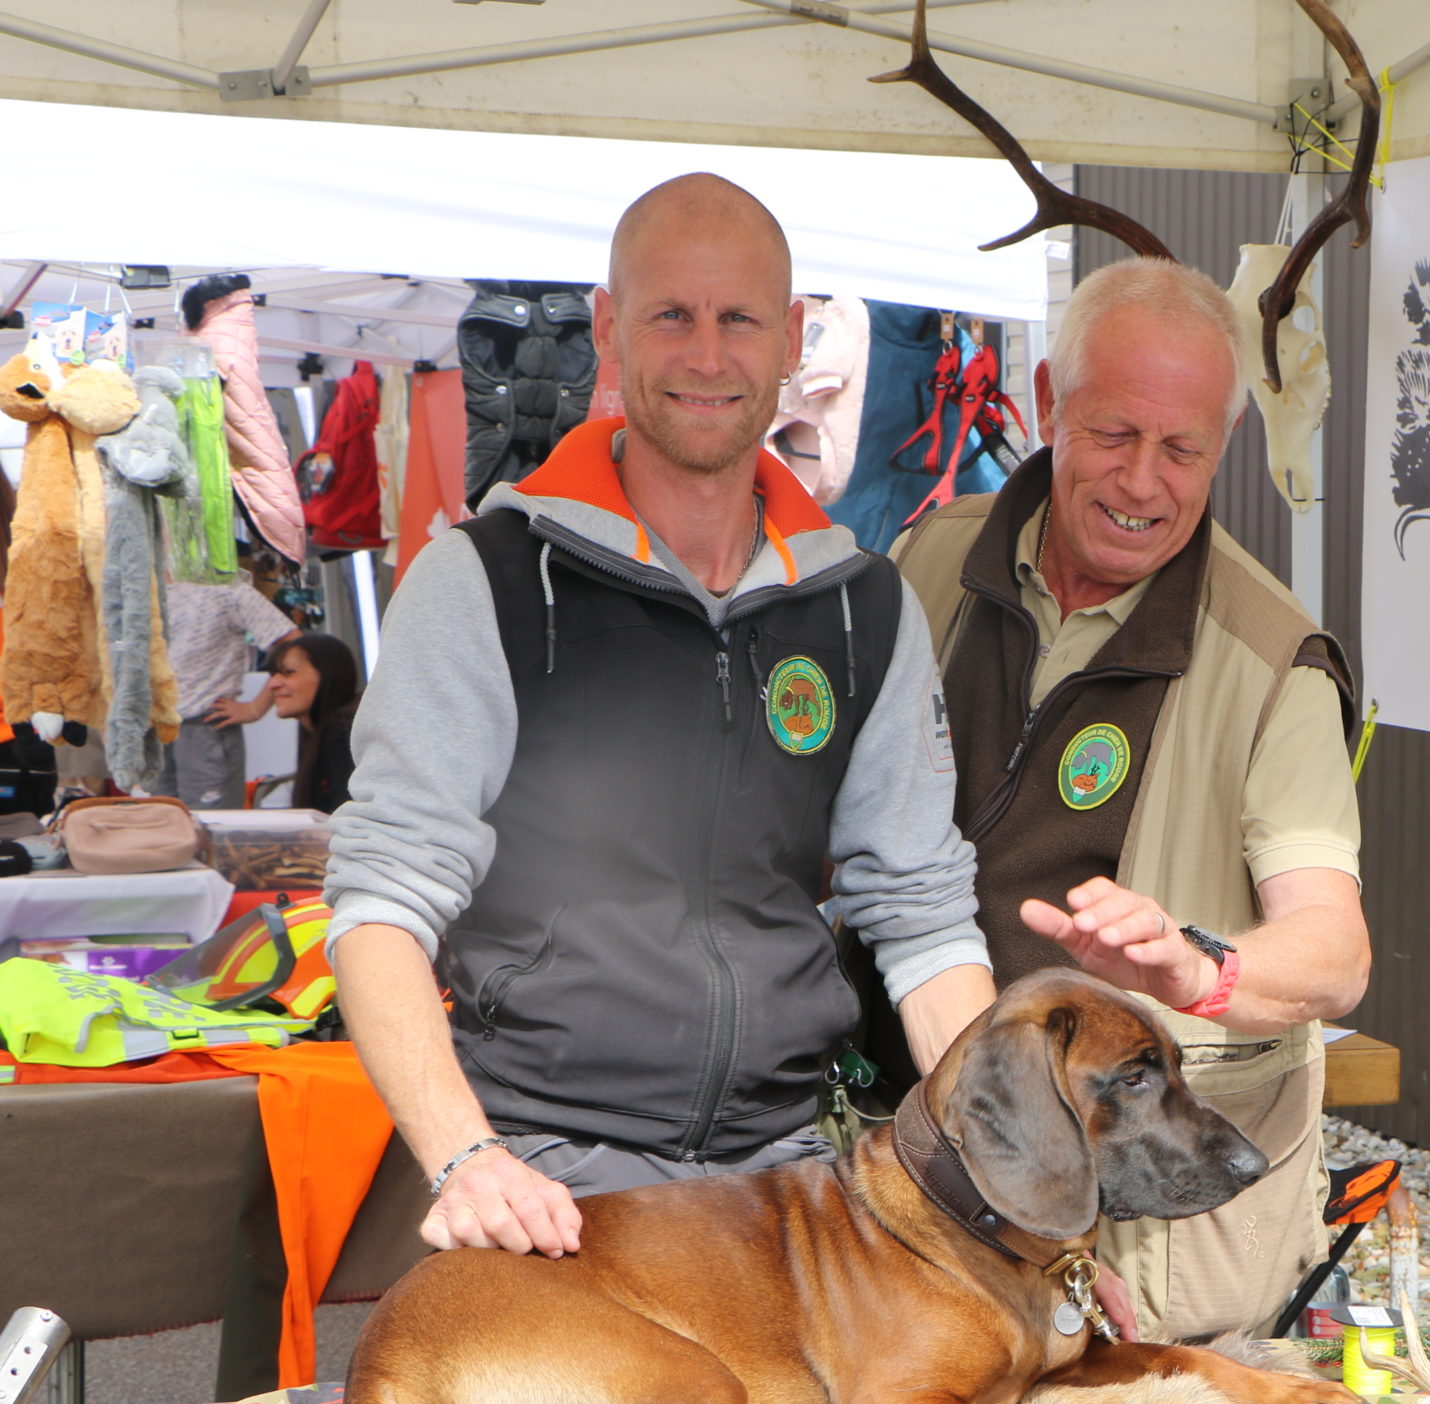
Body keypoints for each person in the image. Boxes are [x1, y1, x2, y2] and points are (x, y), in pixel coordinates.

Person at [324, 173, 996, 1259]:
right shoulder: (486, 581)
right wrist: (466, 1158)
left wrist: (1004, 1174)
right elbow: (381, 904)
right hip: (547, 1178)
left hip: (787, 1174)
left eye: (740, 319)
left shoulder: (863, 604)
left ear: (792, 338)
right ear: (607, 327)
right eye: (671, 315)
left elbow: (920, 916)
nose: (707, 355)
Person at [895, 257, 1369, 1344]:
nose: (1143, 482)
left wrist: (1204, 971)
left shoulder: (1273, 660)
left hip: (1145, 1233)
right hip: (935, 1165)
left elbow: (1336, 954)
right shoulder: (930, 560)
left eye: (1182, 449)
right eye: (1113, 434)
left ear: (1227, 441)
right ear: (1048, 399)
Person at [157, 576, 300, 808]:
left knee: (210, 823)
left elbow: (291, 643)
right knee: (161, 821)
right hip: (153, 727)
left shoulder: (226, 590)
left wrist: (256, 708)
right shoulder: (138, 589)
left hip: (204, 724)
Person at [264, 631, 361, 814]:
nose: (273, 684)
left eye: (288, 672)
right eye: (273, 674)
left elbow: (342, 815)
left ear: (328, 674)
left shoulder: (342, 730)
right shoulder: (319, 733)